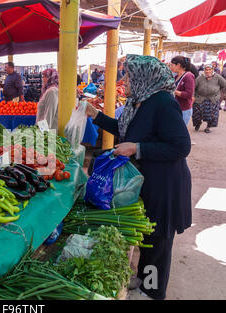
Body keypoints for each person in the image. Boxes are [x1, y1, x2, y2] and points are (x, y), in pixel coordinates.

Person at [85, 54, 192, 300]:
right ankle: (143, 278)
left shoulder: (163, 103)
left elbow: (181, 146)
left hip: (166, 184)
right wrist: (95, 116)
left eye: (129, 75)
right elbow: (127, 131)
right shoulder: (138, 101)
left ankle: (153, 291)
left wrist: (137, 148)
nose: (125, 79)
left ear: (145, 77)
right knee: (147, 234)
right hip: (148, 180)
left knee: (158, 242)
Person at [193, 64, 226, 133]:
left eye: (209, 69)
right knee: (197, 113)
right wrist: (193, 96)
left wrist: (219, 93)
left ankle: (208, 127)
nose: (207, 71)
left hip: (213, 98)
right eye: (206, 69)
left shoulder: (217, 77)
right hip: (200, 98)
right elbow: (194, 87)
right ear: (204, 70)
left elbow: (224, 84)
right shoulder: (200, 78)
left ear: (212, 70)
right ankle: (198, 123)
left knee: (212, 114)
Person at [169, 56, 196, 125]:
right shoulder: (176, 77)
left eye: (172, 65)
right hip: (176, 107)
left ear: (178, 65)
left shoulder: (188, 76)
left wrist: (174, 91)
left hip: (184, 109)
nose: (170, 67)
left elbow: (189, 94)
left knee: (180, 131)